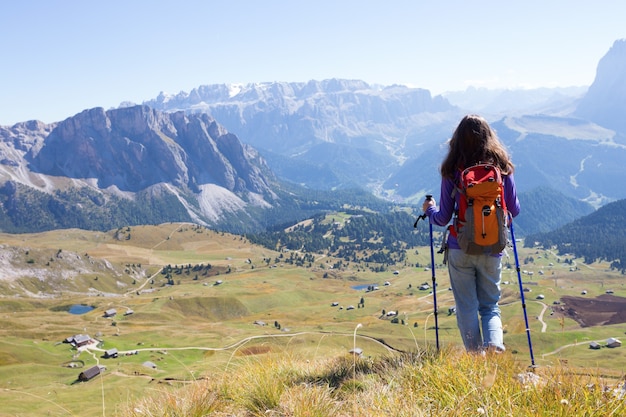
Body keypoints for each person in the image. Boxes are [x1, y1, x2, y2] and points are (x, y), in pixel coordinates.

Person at [422, 114, 520, 353]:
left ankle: (475, 359)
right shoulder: (502, 168)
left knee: (466, 306)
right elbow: (514, 210)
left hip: (460, 246)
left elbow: (443, 217)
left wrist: (429, 210)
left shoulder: (452, 170)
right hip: (493, 247)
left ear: (456, 140)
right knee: (490, 306)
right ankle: (495, 346)